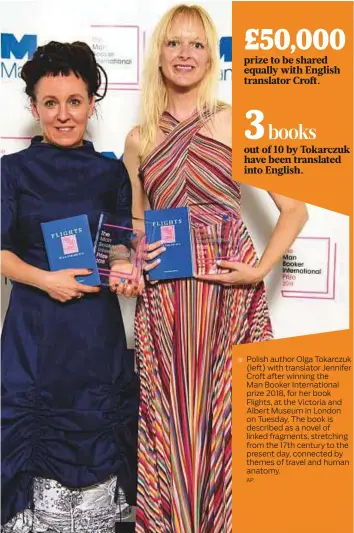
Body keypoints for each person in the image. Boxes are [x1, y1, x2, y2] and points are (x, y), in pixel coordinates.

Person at [123, 4, 308, 533]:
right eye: (174, 43)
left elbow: (295, 208)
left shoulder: (237, 121)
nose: (185, 54)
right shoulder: (139, 139)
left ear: (212, 57)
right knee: (170, 418)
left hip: (227, 297)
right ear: (158, 55)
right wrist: (137, 256)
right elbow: (133, 225)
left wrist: (259, 271)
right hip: (166, 302)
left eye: (197, 44)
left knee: (226, 419)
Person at [1, 41, 138, 533]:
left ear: (91, 104)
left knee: (96, 434)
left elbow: (120, 242)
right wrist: (45, 279)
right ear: (34, 108)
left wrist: (124, 266)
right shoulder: (10, 171)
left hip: (94, 336)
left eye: (74, 102)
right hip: (34, 336)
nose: (63, 115)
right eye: (51, 103)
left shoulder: (110, 172)